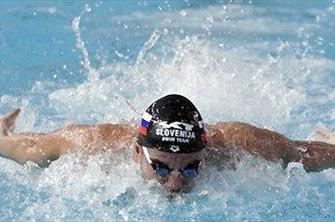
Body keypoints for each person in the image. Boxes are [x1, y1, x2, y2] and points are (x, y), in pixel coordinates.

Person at [0, 94, 335, 195]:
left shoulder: (241, 144)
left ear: (206, 154)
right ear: (136, 152)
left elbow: (302, 154)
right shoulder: (91, 146)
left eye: (192, 167)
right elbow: (26, 148)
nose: (176, 183)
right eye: (160, 167)